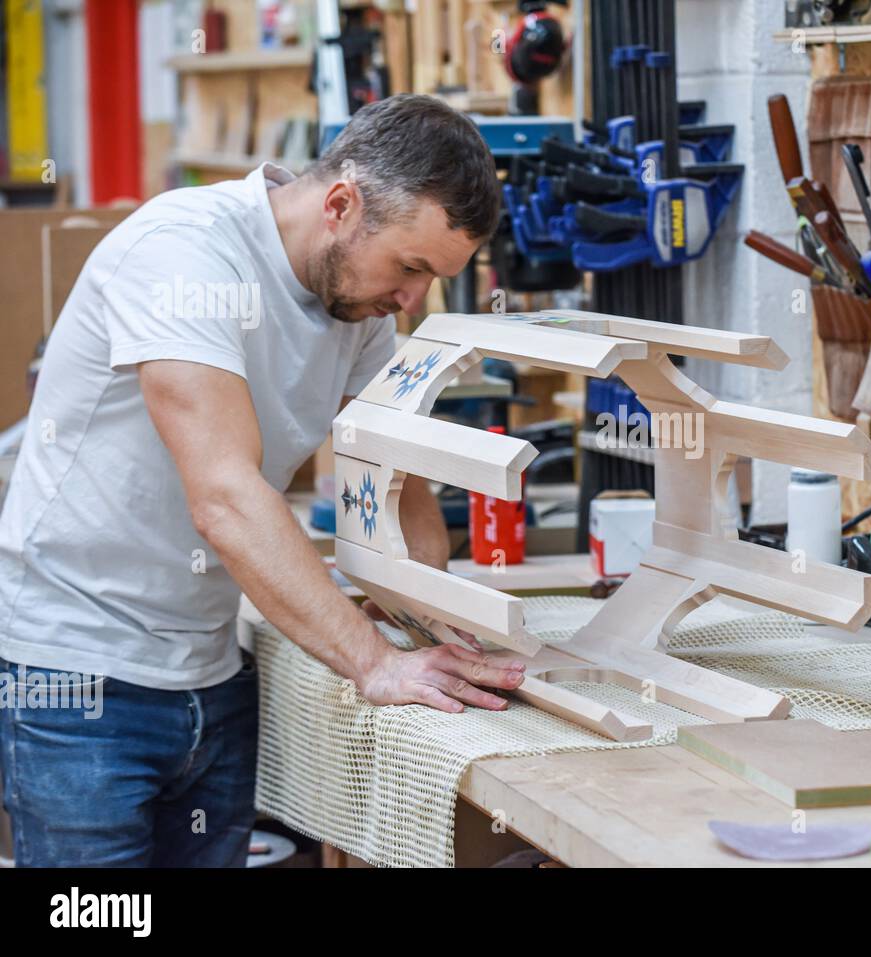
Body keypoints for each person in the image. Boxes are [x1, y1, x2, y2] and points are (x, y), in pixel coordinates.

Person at [0, 94, 525, 867]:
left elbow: (401, 478)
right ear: (342, 205)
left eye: (431, 282)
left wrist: (427, 621)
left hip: (212, 670)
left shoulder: (363, 308)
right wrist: (377, 663)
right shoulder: (185, 256)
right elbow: (226, 496)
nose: (412, 300)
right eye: (411, 268)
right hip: (81, 678)